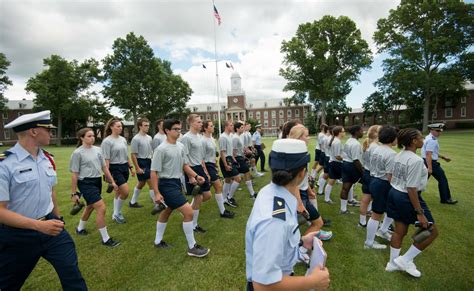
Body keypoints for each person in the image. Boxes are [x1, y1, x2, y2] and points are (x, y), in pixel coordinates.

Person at [0, 110, 87, 290]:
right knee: (8, 283)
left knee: (72, 275)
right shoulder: (5, 165)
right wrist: (38, 226)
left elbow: (51, 191)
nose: (51, 133)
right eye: (48, 129)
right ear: (33, 132)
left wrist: (57, 218)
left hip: (51, 228)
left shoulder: (47, 158)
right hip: (18, 236)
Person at [245, 138, 330, 290]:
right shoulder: (275, 221)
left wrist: (301, 242)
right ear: (302, 172)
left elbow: (278, 241)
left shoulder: (271, 192)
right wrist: (313, 281)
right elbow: (262, 285)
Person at [150, 119, 210, 257]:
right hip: (166, 184)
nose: (179, 132)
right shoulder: (161, 149)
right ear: (167, 131)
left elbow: (184, 165)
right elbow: (153, 172)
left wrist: (196, 176)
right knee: (188, 212)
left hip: (177, 183)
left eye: (179, 129)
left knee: (167, 211)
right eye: (175, 129)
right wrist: (157, 193)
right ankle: (192, 247)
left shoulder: (180, 147)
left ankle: (158, 241)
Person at [386, 128, 438, 277]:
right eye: (421, 138)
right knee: (431, 230)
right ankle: (404, 260)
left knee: (399, 231)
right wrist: (420, 213)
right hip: (406, 196)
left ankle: (392, 263)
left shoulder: (398, 155)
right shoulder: (415, 160)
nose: (423, 140)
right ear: (414, 141)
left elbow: (390, 176)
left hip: (394, 193)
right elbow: (411, 188)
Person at [70, 127, 120, 247]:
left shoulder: (98, 150)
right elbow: (74, 174)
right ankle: (106, 239)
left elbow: (104, 168)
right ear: (81, 138)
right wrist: (74, 193)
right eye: (89, 136)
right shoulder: (77, 153)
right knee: (101, 207)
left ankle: (80, 228)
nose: (92, 138)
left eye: (93, 136)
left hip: (97, 181)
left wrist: (112, 182)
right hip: (85, 183)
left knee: (91, 206)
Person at [288, 125, 332, 240]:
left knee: (311, 223)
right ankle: (300, 248)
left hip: (301, 193)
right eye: (306, 136)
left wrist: (309, 190)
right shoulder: (297, 155)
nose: (309, 138)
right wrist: (300, 203)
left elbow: (302, 177)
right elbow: (294, 183)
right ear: (298, 138)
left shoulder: (300, 152)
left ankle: (299, 247)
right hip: (297, 195)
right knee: (315, 223)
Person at [364, 126, 397, 249]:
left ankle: (382, 230)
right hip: (382, 184)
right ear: (392, 138)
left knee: (390, 209)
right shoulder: (391, 153)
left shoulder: (376, 148)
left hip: (374, 180)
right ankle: (369, 243)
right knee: (376, 214)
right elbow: (390, 176)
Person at [181, 114, 213, 233]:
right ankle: (193, 225)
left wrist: (205, 171)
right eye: (198, 122)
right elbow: (184, 159)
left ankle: (188, 209)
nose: (201, 124)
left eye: (201, 122)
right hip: (192, 169)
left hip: (200, 168)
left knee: (208, 195)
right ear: (191, 123)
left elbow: (201, 157)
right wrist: (190, 175)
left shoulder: (199, 137)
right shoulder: (186, 138)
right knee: (198, 198)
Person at [101, 118, 135, 224]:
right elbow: (106, 159)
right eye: (118, 126)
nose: (120, 128)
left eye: (121, 126)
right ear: (111, 127)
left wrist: (131, 167)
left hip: (124, 167)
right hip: (114, 168)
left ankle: (115, 214)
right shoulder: (107, 141)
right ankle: (117, 214)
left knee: (119, 192)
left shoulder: (123, 139)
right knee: (125, 191)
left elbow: (125, 155)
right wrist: (107, 175)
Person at [201, 120, 235, 218]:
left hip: (212, 164)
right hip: (207, 165)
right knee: (218, 186)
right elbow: (201, 158)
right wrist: (206, 172)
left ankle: (223, 211)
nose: (213, 127)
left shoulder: (212, 139)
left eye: (213, 125)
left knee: (212, 189)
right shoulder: (202, 140)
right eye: (211, 126)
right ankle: (222, 211)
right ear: (205, 128)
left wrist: (215, 165)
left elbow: (213, 154)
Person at [130, 118, 162, 215]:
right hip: (141, 162)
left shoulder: (149, 137)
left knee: (141, 183)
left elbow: (152, 151)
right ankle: (157, 204)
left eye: (148, 125)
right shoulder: (136, 139)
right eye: (145, 125)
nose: (147, 127)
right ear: (140, 126)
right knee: (152, 183)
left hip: (149, 161)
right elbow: (133, 154)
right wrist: (137, 167)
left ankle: (132, 202)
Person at [421, 123, 457, 204]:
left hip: (426, 161)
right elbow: (428, 154)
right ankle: (446, 199)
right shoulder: (432, 140)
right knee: (442, 179)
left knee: (421, 181)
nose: (439, 132)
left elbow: (431, 153)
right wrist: (430, 168)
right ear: (431, 130)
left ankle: (411, 196)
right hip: (430, 163)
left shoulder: (428, 137)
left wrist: (443, 157)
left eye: (440, 131)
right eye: (437, 131)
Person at [359, 125, 381, 227]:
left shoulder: (368, 144)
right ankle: (365, 220)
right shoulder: (375, 147)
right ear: (377, 134)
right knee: (369, 199)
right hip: (372, 174)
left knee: (366, 198)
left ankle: (363, 220)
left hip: (367, 172)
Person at [339, 125, 364, 214]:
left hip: (345, 164)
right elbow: (356, 160)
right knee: (347, 187)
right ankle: (344, 209)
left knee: (345, 187)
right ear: (356, 132)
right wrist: (362, 172)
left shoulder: (349, 140)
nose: (363, 132)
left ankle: (343, 208)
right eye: (361, 130)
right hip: (351, 166)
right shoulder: (356, 144)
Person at [219, 120, 242, 208]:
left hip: (229, 158)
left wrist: (234, 160)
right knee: (238, 178)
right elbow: (222, 152)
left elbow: (230, 150)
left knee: (228, 180)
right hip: (225, 159)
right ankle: (229, 197)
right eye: (231, 125)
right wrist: (225, 164)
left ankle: (224, 198)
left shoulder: (229, 136)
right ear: (226, 126)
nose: (232, 126)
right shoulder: (223, 137)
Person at [233, 121, 258, 199]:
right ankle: (252, 194)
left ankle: (252, 193)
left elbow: (241, 148)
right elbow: (233, 151)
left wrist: (244, 155)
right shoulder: (235, 137)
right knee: (243, 174)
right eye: (241, 127)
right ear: (237, 129)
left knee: (243, 174)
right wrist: (236, 160)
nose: (243, 129)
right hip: (237, 158)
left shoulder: (239, 136)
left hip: (240, 157)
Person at [324, 126, 345, 206]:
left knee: (332, 181)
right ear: (339, 133)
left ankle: (327, 198)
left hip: (333, 162)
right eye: (343, 131)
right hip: (336, 163)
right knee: (346, 181)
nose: (344, 133)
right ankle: (349, 199)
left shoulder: (336, 140)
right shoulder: (337, 142)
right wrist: (345, 159)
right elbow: (337, 156)